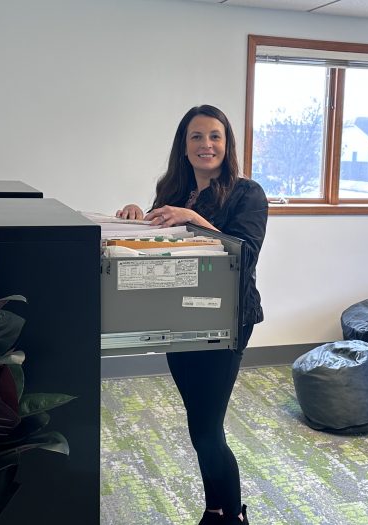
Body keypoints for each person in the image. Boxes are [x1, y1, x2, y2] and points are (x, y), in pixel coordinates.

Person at [116, 105, 268, 524]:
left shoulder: (247, 193)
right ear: (184, 147)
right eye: (197, 137)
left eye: (215, 136)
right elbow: (159, 248)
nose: (206, 145)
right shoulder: (173, 191)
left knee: (207, 429)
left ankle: (234, 516)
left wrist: (194, 219)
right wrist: (135, 218)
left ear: (227, 143)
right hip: (179, 320)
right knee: (198, 425)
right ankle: (214, 508)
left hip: (226, 321)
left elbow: (246, 253)